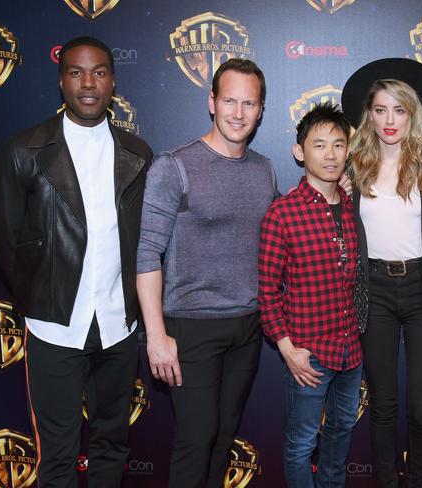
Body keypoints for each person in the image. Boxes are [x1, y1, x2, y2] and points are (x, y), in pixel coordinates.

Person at [0, 37, 153, 487]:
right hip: (55, 326)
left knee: (112, 444)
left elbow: (143, 242)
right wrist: (40, 296)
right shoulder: (22, 151)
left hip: (119, 325)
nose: (88, 83)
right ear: (61, 80)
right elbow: (5, 242)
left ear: (113, 82)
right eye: (77, 72)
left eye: (98, 72)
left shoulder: (137, 154)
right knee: (57, 454)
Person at [136, 58, 278, 488]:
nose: (238, 112)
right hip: (190, 327)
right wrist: (157, 336)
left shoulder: (264, 169)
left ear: (260, 111)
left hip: (247, 327)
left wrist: (334, 186)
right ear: (211, 102)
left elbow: (287, 223)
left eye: (248, 103)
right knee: (195, 440)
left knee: (222, 438)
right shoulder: (173, 165)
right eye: (229, 100)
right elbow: (146, 254)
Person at [341, 59, 422, 488]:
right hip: (372, 292)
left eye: (399, 110)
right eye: (380, 110)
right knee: (384, 405)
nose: (389, 121)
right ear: (368, 115)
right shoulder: (352, 168)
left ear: (413, 114)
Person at [258, 103, 363, 488]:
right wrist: (288, 349)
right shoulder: (282, 214)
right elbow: (267, 292)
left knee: (339, 439)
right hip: (308, 355)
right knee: (302, 443)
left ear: (348, 151)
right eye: (319, 145)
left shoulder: (354, 209)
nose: (330, 154)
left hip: (351, 351)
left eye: (338, 145)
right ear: (300, 152)